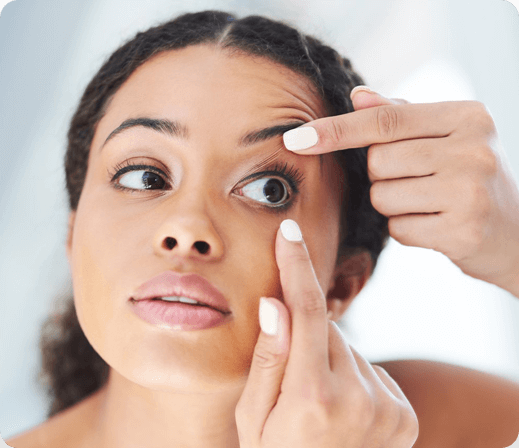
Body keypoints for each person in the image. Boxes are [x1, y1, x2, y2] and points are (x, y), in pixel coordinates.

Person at [5, 10, 519, 448]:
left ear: (343, 281)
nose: (187, 228)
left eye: (268, 189)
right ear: (74, 239)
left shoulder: (439, 420)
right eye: (144, 177)